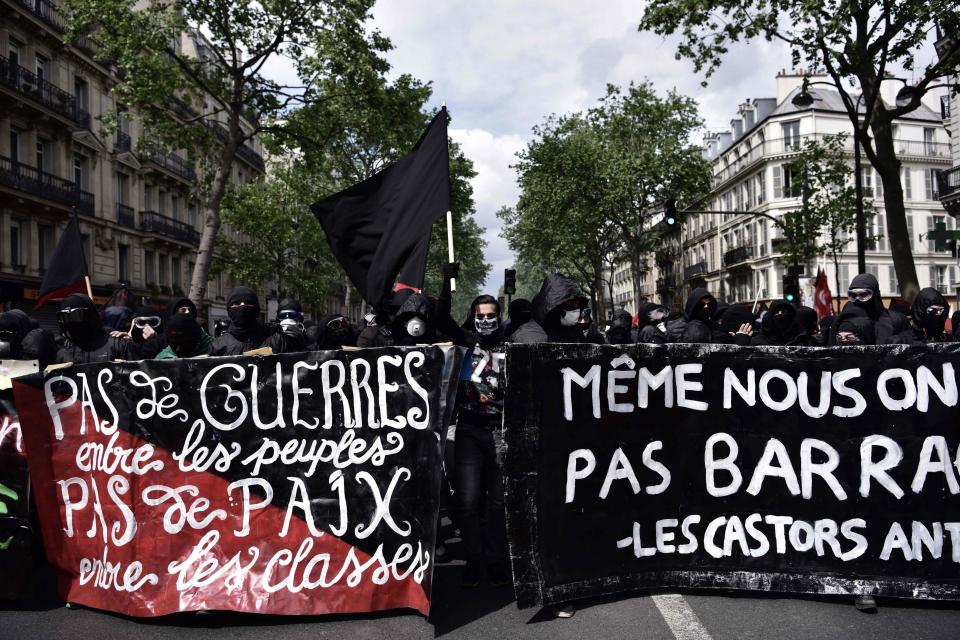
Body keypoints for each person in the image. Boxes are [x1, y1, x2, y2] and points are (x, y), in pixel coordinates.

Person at [454, 295, 510, 588]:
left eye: (491, 315)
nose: (486, 320)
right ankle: (474, 559)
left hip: (500, 432)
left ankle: (495, 558)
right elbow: (441, 320)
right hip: (468, 432)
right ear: (473, 317)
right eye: (480, 315)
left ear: (499, 316)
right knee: (467, 501)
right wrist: (446, 286)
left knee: (499, 503)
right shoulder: (465, 342)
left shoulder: (511, 345)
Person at [55, 294, 138, 364]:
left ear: (90, 315)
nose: (71, 322)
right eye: (65, 318)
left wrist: (126, 369)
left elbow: (139, 377)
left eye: (77, 315)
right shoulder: (64, 352)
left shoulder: (118, 344)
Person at [511, 274, 587, 344]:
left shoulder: (575, 329)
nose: (576, 310)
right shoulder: (529, 335)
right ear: (555, 306)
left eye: (578, 305)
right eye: (572, 304)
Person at [210, 286, 267, 356]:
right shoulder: (217, 346)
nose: (243, 306)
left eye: (248, 302)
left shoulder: (274, 340)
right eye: (236, 303)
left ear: (257, 308)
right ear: (229, 309)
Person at [846, 274, 895, 344]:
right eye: (853, 295)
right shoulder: (845, 319)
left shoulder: (895, 321)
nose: (858, 299)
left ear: (876, 295)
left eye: (863, 295)